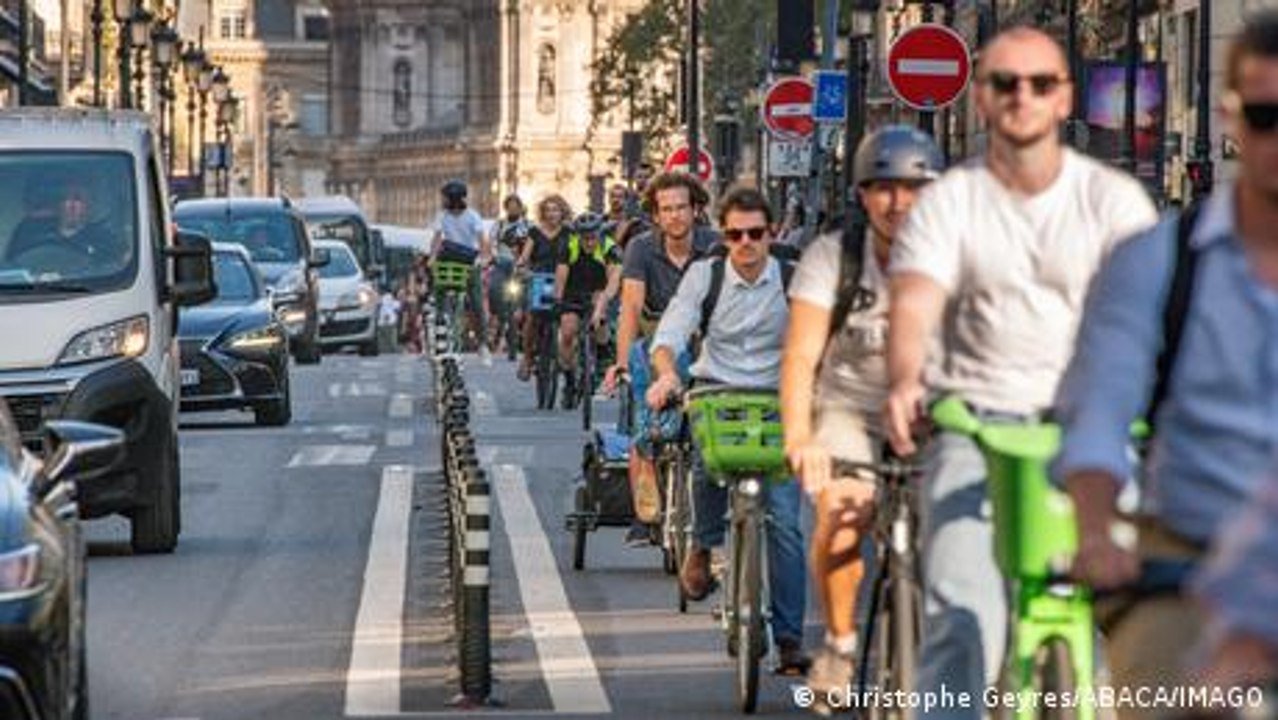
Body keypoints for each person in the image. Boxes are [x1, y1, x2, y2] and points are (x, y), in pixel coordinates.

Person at [880, 27, 1157, 718]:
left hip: (1091, 432)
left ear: (1066, 96)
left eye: (1040, 83)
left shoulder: (1115, 201)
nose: (1022, 97)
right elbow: (914, 301)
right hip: (976, 429)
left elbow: (1150, 318)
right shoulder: (948, 204)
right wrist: (908, 378)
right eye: (1005, 83)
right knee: (966, 616)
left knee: (1125, 612)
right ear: (981, 99)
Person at [1052, 11, 1278, 715]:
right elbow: (1100, 411)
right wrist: (1095, 531)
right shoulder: (1156, 263)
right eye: (1268, 116)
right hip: (1187, 559)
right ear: (1232, 118)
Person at [779, 126, 944, 706]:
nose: (898, 203)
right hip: (849, 408)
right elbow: (801, 355)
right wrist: (801, 436)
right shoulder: (832, 258)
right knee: (844, 515)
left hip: (933, 414)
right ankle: (843, 645)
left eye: (913, 189)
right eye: (883, 189)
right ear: (862, 195)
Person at [646, 185, 808, 676]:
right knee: (704, 460)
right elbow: (670, 332)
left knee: (784, 521)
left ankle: (789, 638)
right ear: (724, 234)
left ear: (772, 233)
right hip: (716, 389)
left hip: (779, 398)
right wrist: (668, 374)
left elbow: (817, 336)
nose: (745, 243)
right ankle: (702, 543)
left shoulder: (794, 278)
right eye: (734, 234)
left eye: (755, 233)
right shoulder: (705, 275)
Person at [602, 172, 715, 547]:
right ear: (655, 214)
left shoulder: (715, 245)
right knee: (645, 426)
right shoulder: (641, 248)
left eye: (682, 207)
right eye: (666, 209)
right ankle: (644, 510)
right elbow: (631, 308)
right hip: (654, 347)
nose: (675, 216)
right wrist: (620, 362)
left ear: (696, 209)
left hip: (705, 348)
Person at [555, 212, 622, 408]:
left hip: (599, 290)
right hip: (573, 290)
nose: (589, 242)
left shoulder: (610, 248)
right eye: (584, 238)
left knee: (600, 322)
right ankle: (568, 379)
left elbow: (613, 281)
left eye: (593, 237)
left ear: (599, 234)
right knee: (567, 332)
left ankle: (601, 360)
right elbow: (561, 275)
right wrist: (558, 299)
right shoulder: (569, 246)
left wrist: (603, 304)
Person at [430, 179, 491, 355]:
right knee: (439, 293)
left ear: (452, 198)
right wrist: (432, 257)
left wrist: (484, 257)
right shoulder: (442, 216)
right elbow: (436, 238)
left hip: (468, 262)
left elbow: (482, 239)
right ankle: (440, 334)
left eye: (445, 198)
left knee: (477, 302)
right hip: (449, 261)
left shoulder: (472, 216)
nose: (442, 201)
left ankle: (483, 342)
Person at [517, 194, 572, 381]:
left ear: (562, 212)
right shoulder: (535, 232)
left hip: (563, 282)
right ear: (543, 213)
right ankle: (527, 358)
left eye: (555, 210)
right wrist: (521, 267)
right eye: (548, 210)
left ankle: (569, 360)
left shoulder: (569, 233)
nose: (551, 214)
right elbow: (525, 257)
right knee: (532, 317)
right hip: (539, 279)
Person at [6, 173, 119, 265]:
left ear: (89, 203)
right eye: (64, 198)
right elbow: (10, 267)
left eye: (77, 198)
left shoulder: (103, 238)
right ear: (57, 204)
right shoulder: (30, 230)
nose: (70, 204)